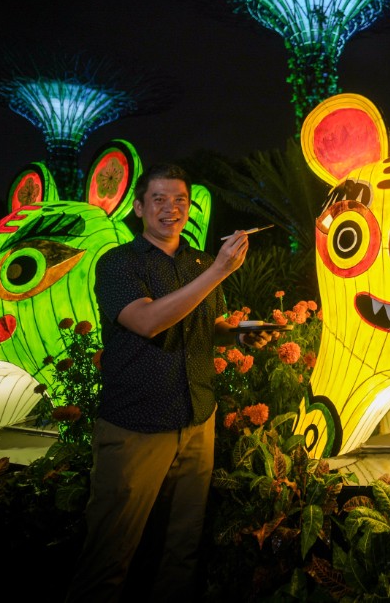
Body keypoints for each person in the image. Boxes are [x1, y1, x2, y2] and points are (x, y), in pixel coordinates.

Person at [65, 163, 278, 603]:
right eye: (159, 199)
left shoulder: (198, 261)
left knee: (181, 550)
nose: (171, 208)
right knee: (111, 552)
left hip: (196, 417)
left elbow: (208, 323)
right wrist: (219, 271)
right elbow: (146, 322)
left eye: (179, 199)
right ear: (139, 208)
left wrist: (238, 330)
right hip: (137, 423)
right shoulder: (118, 263)